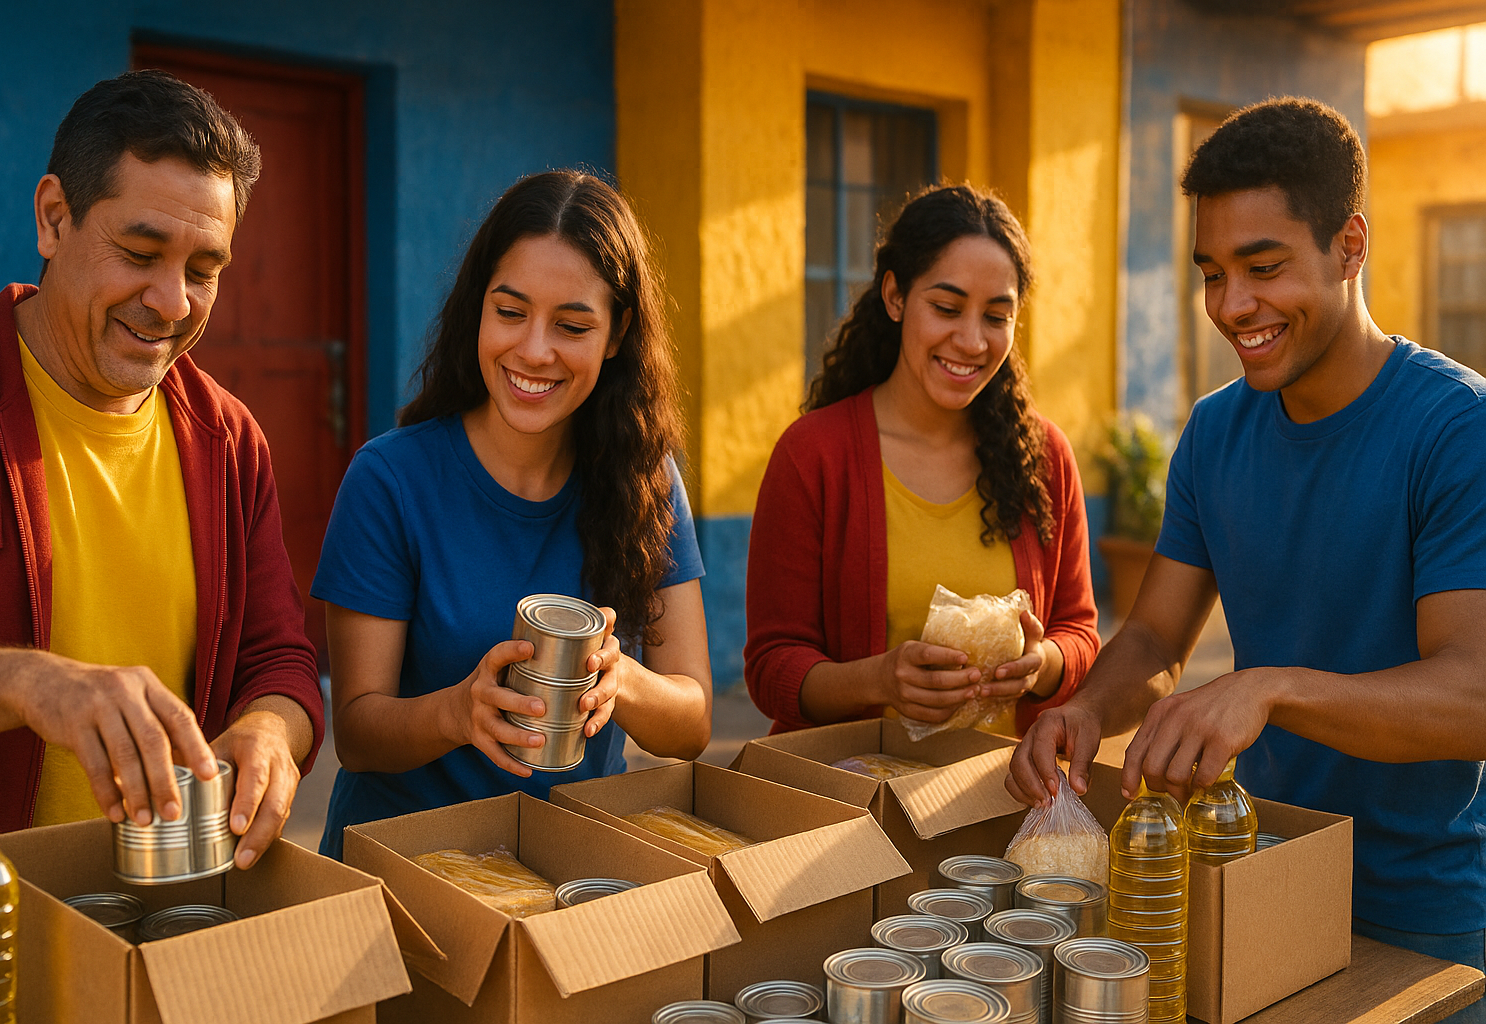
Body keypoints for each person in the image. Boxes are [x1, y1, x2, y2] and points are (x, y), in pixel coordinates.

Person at [1006, 97, 1486, 1007]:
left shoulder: (1456, 428)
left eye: (1264, 268)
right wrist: (1083, 711)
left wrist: (1270, 685)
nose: (1232, 307)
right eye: (1211, 273)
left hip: (1422, 910)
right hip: (1255, 868)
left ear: (1351, 244)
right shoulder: (1215, 433)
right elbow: (1153, 640)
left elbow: (1475, 693)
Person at [0, 71, 324, 868]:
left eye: (203, 269)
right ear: (55, 218)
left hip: (154, 918)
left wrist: (269, 730)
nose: (172, 302)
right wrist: (28, 685)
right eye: (140, 252)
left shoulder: (227, 439)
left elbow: (281, 662)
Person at [314, 170, 712, 858]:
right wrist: (456, 713)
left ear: (616, 335)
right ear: (477, 310)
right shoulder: (390, 480)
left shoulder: (647, 481)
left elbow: (693, 720)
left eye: (572, 325)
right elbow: (356, 731)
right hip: (403, 870)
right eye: (510, 311)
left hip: (568, 871)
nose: (533, 350)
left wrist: (627, 682)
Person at [745, 184, 1100, 739]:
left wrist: (1043, 664)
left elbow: (1078, 630)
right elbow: (771, 668)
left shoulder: (1046, 456)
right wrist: (880, 681)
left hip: (1004, 801)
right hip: (852, 805)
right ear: (895, 297)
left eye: (996, 316)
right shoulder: (812, 455)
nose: (971, 340)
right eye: (946, 308)